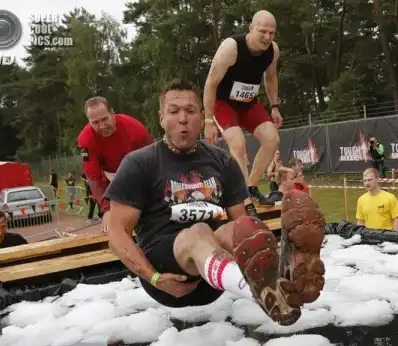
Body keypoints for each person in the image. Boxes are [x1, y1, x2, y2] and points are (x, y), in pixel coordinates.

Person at [105, 79, 326, 327]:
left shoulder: (222, 161)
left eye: (190, 111)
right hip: (165, 276)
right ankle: (264, 294)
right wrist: (153, 277)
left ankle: (285, 273)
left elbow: (242, 224)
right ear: (161, 118)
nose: (182, 119)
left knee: (243, 228)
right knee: (198, 232)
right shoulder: (139, 163)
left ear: (202, 117)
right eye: (174, 111)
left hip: (214, 280)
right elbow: (116, 234)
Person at [203, 10, 283, 214]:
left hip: (248, 103)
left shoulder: (272, 50)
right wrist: (208, 120)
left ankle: (250, 187)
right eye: (262, 31)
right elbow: (211, 83)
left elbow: (271, 77)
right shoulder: (231, 47)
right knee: (238, 144)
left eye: (271, 33)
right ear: (251, 28)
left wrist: (274, 106)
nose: (267, 37)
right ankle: (243, 199)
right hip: (224, 103)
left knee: (272, 139)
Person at [77, 96, 154, 232]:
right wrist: (106, 209)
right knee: (115, 222)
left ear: (112, 113)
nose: (102, 126)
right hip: (108, 176)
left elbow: (153, 162)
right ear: (88, 121)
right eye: (95, 122)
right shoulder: (85, 140)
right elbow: (94, 177)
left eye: (104, 119)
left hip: (137, 170)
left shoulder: (135, 128)